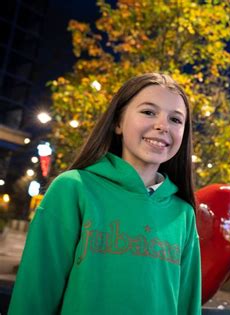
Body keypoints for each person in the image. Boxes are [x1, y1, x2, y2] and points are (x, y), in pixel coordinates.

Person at [8, 73, 201, 314]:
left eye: (175, 119)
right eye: (148, 112)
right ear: (118, 122)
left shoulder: (183, 213)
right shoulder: (73, 189)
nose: (163, 125)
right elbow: (34, 295)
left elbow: (188, 305)